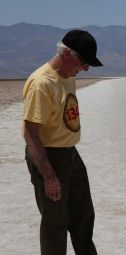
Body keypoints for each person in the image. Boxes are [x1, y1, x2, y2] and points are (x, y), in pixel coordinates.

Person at [22, 29, 103, 255]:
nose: (85, 68)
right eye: (83, 61)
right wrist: (49, 176)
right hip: (49, 156)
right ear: (67, 53)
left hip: (70, 153)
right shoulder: (42, 83)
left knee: (84, 217)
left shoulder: (68, 77)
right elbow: (30, 133)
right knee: (55, 225)